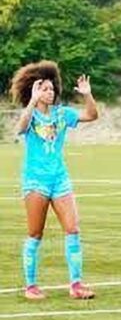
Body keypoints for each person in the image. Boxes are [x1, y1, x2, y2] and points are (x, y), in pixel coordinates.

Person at [12, 60, 99, 300]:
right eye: (44, 89)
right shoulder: (30, 116)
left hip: (60, 180)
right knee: (35, 233)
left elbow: (92, 115)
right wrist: (31, 101)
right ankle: (30, 286)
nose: (49, 93)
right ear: (35, 91)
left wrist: (88, 95)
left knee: (73, 229)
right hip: (35, 182)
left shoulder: (63, 114)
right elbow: (20, 128)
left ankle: (76, 284)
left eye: (51, 89)